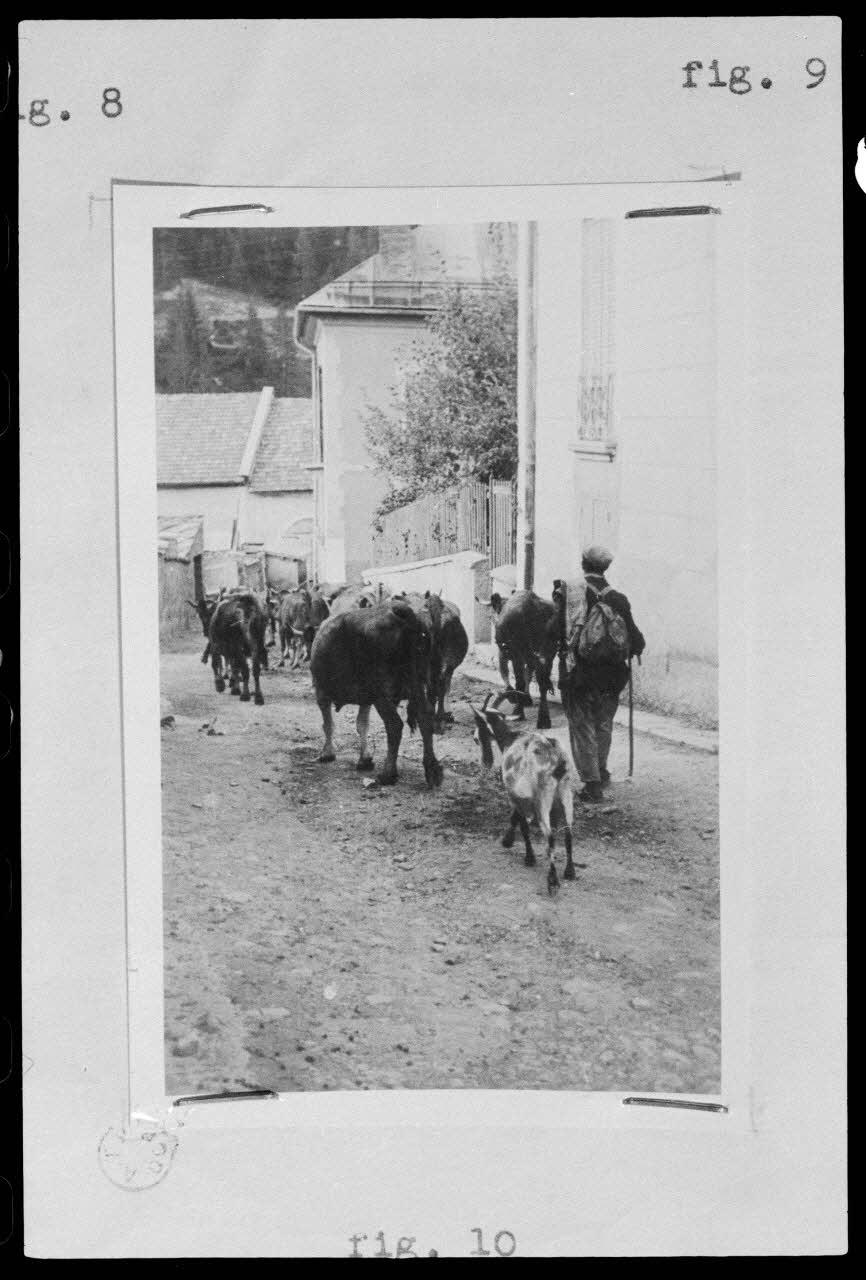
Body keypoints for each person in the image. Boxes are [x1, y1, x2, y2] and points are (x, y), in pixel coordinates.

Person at [561, 545, 645, 802]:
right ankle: (602, 771)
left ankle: (592, 785)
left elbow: (554, 631)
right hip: (612, 676)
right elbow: (638, 641)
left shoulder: (572, 593)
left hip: (580, 675)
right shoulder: (619, 598)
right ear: (606, 568)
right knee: (603, 723)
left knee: (582, 725)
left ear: (583, 563)